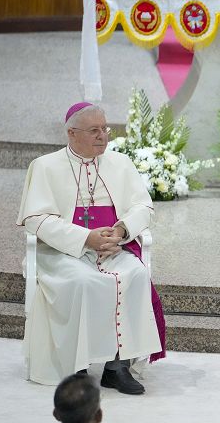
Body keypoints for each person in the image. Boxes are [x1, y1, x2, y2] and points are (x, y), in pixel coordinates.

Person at [17, 102, 166, 394]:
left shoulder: (121, 164)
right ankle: (77, 368)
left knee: (135, 276)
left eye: (105, 129)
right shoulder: (45, 166)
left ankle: (117, 368)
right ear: (72, 133)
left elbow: (143, 206)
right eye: (94, 130)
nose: (103, 136)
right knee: (83, 281)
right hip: (64, 251)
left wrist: (121, 230)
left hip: (114, 248)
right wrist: (85, 238)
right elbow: (35, 218)